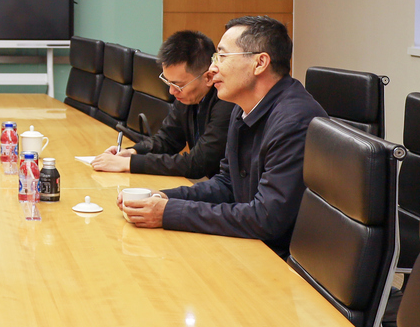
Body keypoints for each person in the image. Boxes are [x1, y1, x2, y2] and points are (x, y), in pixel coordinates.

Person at [119, 16, 327, 256]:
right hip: (250, 246)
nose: (212, 68)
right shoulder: (242, 108)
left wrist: (169, 212)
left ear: (260, 63)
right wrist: (163, 197)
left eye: (222, 56)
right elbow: (227, 184)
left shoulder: (294, 122)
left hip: (279, 259)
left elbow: (265, 219)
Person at [90, 30, 233, 179]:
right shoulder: (187, 96)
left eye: (178, 85)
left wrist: (129, 164)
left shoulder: (227, 102)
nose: (172, 91)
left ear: (208, 77)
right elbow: (168, 139)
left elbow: (197, 164)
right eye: (168, 82)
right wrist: (133, 152)